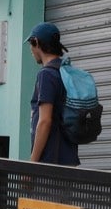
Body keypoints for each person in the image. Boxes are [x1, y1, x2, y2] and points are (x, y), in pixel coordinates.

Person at [26, 22, 80, 167]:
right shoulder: (66, 72)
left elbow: (45, 121)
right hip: (68, 159)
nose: (31, 50)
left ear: (36, 42)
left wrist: (32, 163)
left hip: (49, 163)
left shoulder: (46, 75)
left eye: (31, 44)